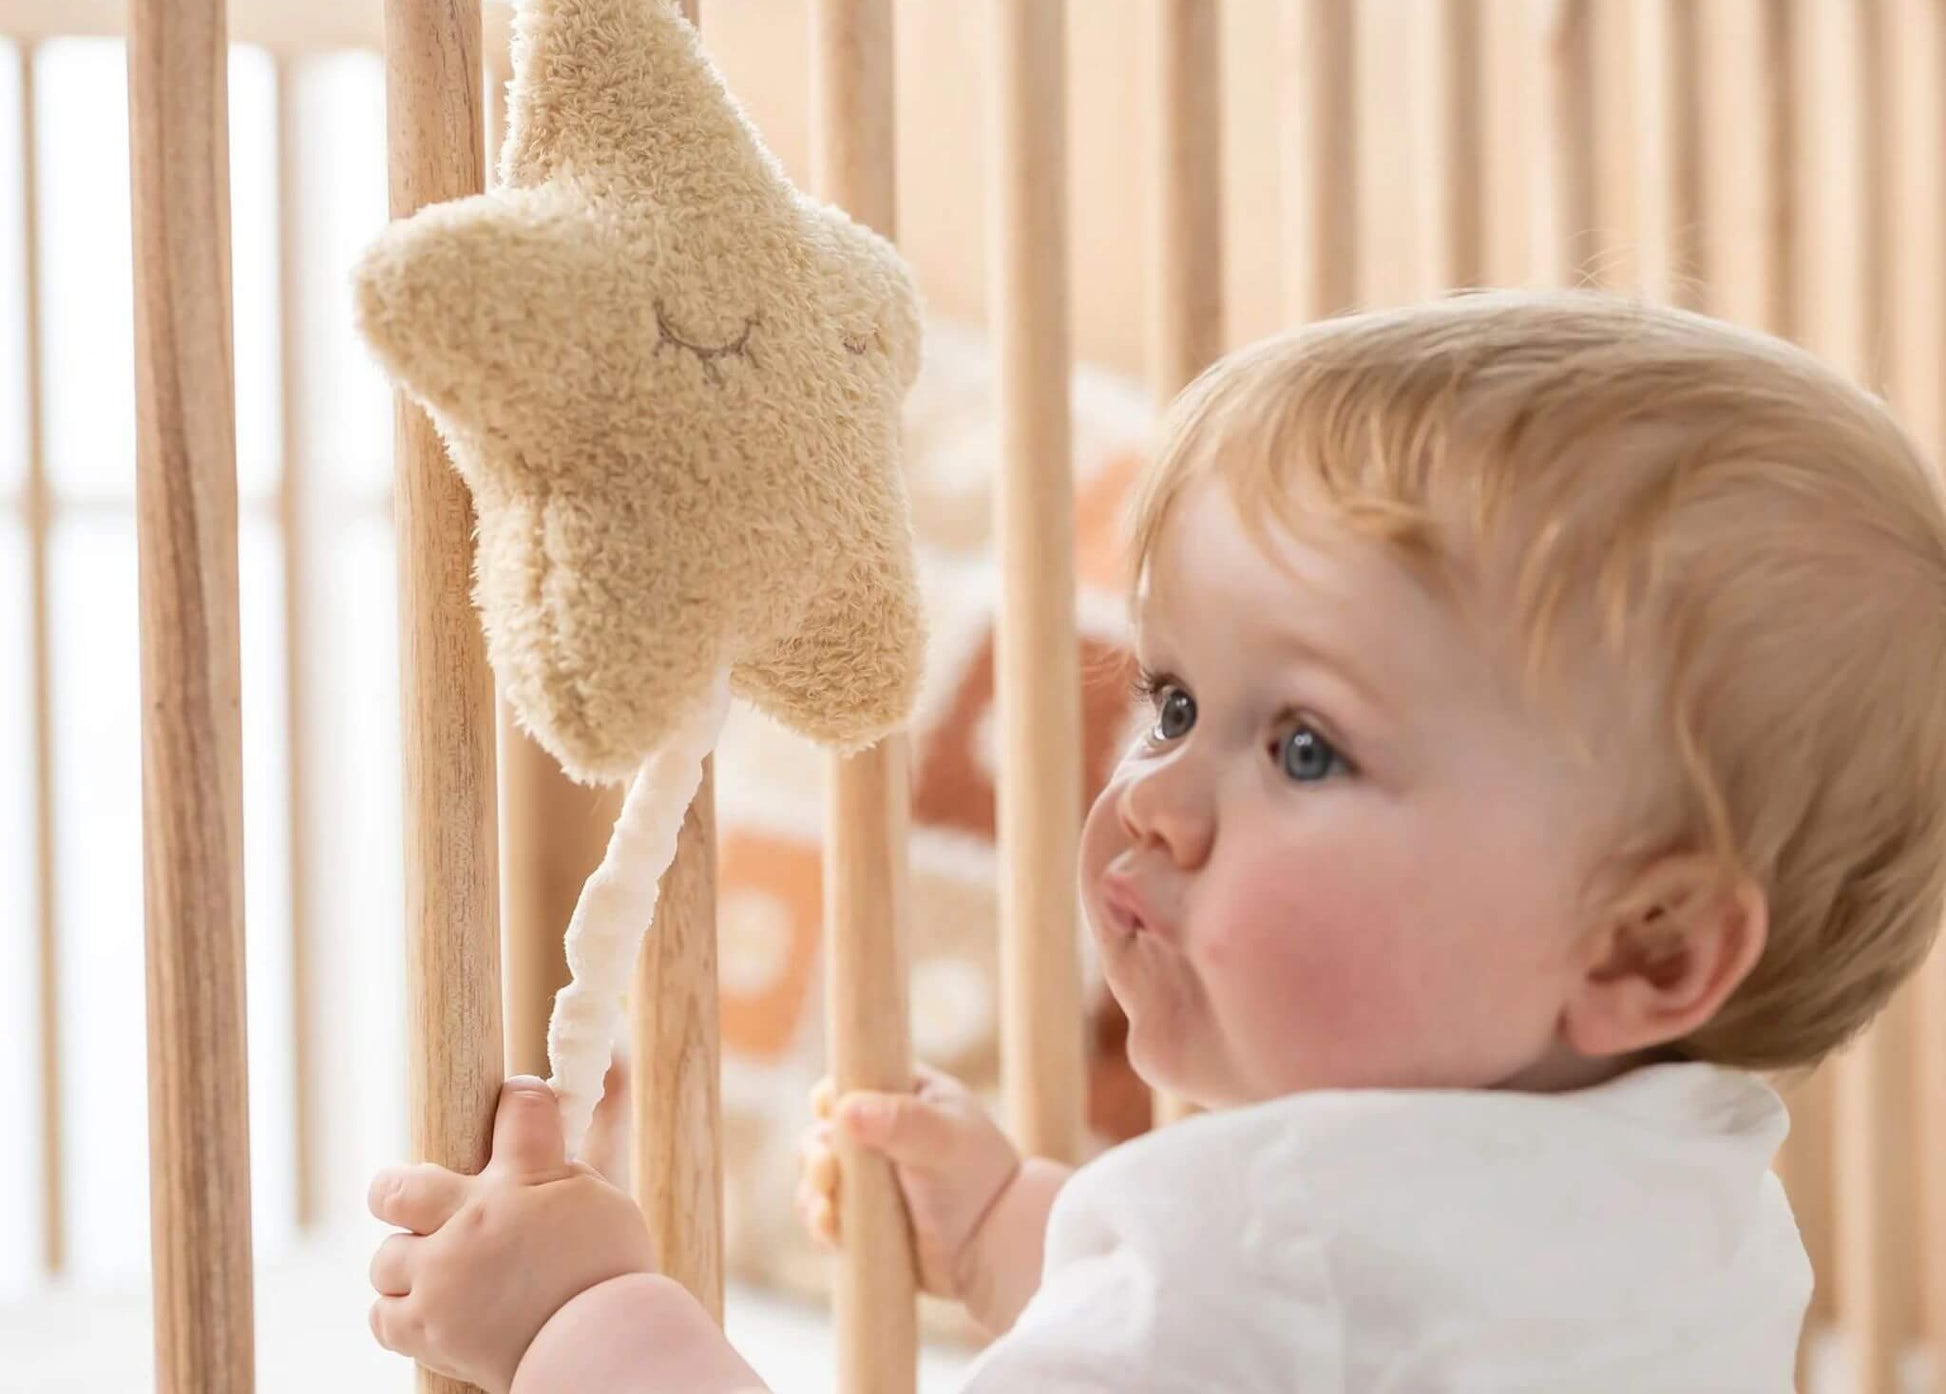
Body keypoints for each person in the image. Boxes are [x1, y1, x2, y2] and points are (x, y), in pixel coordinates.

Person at [367, 292, 1946, 1392]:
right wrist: (1011, 1234)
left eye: (1306, 746)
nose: (1156, 798)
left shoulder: (1265, 1246)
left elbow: (1254, 1302)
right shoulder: (1698, 1203)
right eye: (1175, 698)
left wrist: (583, 1319)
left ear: (1647, 945)